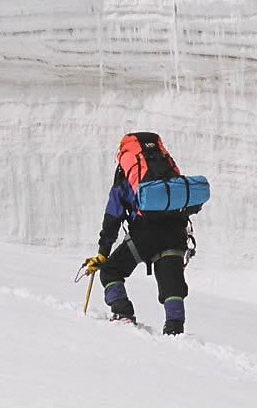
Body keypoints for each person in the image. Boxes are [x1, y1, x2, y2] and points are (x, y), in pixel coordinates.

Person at [82, 131, 196, 335]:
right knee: (171, 282)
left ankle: (123, 312)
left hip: (145, 235)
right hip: (175, 232)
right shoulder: (167, 168)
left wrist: (102, 254)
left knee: (111, 271)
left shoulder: (127, 175)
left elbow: (113, 216)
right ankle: (175, 328)